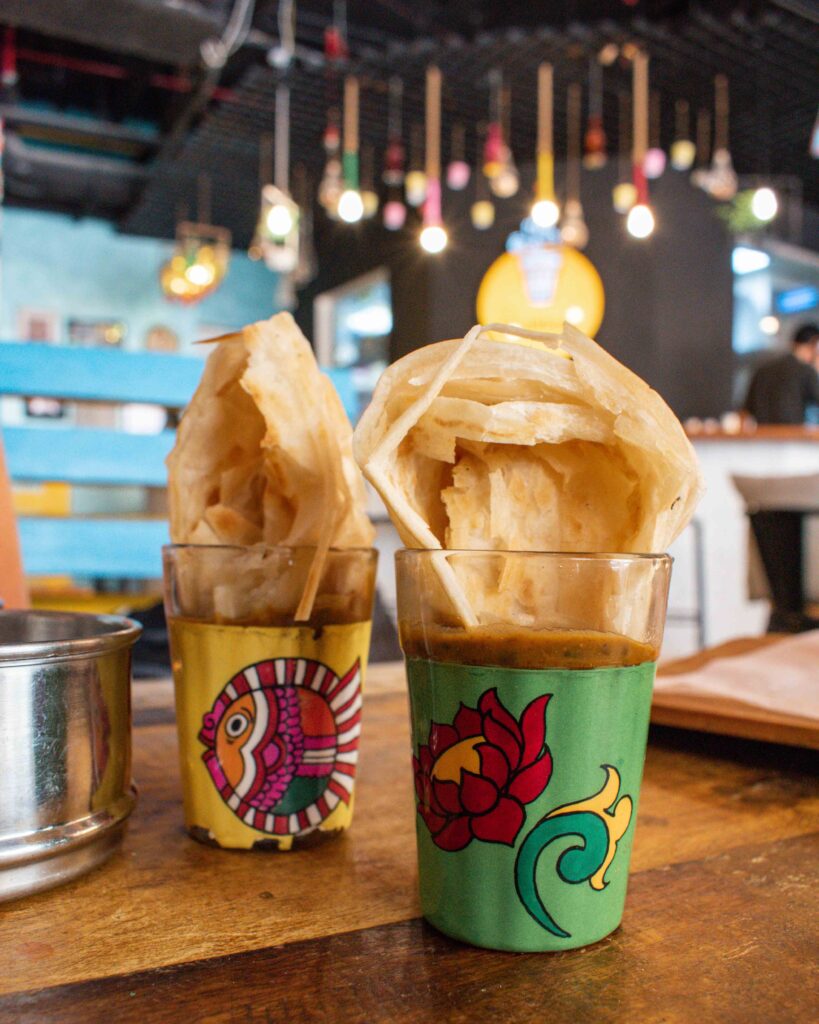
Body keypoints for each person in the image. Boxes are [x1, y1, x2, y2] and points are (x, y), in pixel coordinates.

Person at [743, 323, 819, 425]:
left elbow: (747, 409)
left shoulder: (763, 370)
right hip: (791, 435)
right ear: (813, 345)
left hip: (761, 435)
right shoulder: (805, 370)